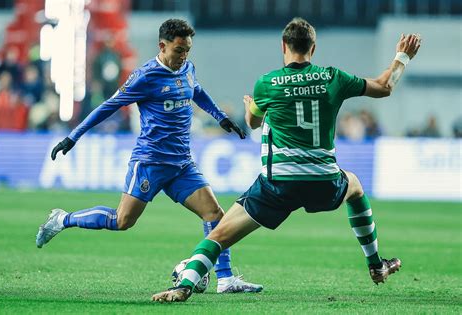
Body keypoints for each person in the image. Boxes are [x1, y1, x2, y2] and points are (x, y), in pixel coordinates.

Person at [151, 17, 422, 302]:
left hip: (278, 185)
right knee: (354, 186)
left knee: (218, 236)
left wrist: (249, 108)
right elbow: (383, 86)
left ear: (283, 45)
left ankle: (183, 285)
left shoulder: (268, 84)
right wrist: (402, 56)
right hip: (324, 182)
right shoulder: (333, 77)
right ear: (313, 48)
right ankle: (376, 264)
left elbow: (253, 123)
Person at [36, 19, 263, 294]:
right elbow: (108, 107)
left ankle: (225, 280)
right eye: (179, 50)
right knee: (122, 221)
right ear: (162, 46)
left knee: (215, 213)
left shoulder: (188, 67)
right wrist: (73, 136)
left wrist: (221, 118)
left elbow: (197, 91)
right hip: (150, 162)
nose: (184, 56)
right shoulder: (146, 76)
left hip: (181, 164)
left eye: (188, 50)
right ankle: (63, 219)